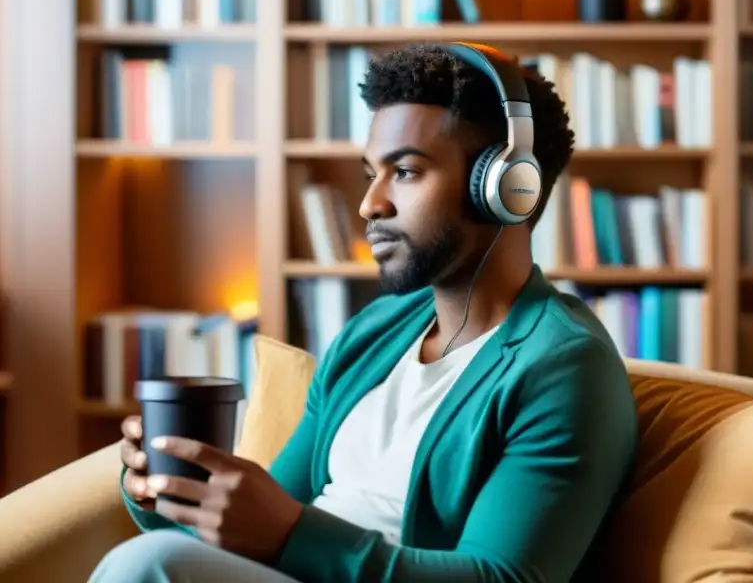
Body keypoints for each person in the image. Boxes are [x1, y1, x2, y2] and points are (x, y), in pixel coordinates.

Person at [89, 42, 639, 583]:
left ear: (504, 188)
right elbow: (263, 522)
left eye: (404, 172)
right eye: (369, 173)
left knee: (148, 565)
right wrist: (170, 495)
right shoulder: (373, 334)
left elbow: (503, 577)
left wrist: (288, 534)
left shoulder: (563, 366)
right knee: (152, 556)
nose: (370, 204)